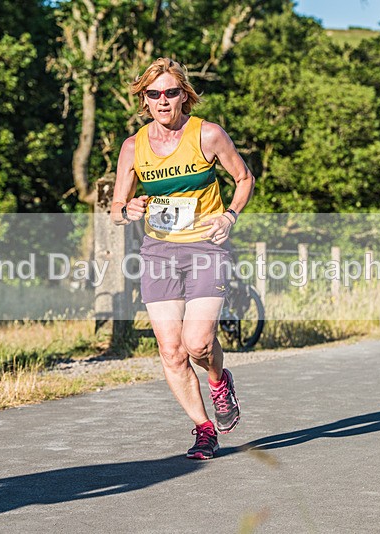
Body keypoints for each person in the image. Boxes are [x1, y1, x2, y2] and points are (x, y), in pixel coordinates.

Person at [111, 58, 256, 460]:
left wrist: (230, 215)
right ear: (144, 99)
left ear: (184, 96)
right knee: (171, 351)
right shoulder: (132, 147)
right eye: (153, 94)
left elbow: (244, 178)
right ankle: (204, 429)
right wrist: (129, 209)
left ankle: (218, 379)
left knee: (197, 343)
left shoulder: (207, 135)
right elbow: (115, 207)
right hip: (158, 251)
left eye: (171, 92)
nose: (162, 100)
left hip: (205, 248)